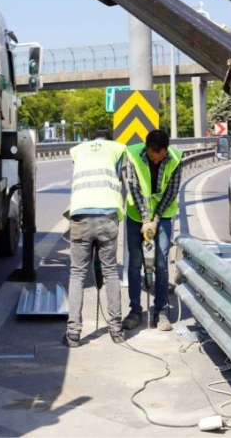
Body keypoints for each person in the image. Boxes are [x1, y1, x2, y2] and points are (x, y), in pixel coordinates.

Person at [62, 129, 127, 348]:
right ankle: (116, 329)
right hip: (107, 216)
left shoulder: (78, 150)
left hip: (80, 215)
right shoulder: (117, 149)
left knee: (77, 273)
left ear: (92, 139)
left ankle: (73, 333)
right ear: (109, 139)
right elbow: (120, 178)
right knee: (110, 271)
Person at [122, 129, 183, 332]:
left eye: (160, 158)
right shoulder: (132, 155)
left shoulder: (175, 158)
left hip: (163, 215)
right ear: (147, 149)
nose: (156, 161)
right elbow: (134, 188)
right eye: (152, 157)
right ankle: (135, 311)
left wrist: (155, 220)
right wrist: (145, 218)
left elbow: (171, 192)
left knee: (161, 262)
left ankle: (161, 311)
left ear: (165, 151)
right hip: (135, 215)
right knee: (135, 262)